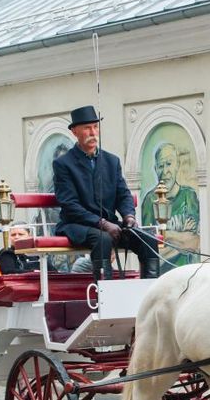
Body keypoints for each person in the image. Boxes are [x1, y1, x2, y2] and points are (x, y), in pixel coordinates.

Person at [53, 105, 161, 280]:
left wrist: (129, 217)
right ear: (74, 131)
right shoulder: (63, 164)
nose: (93, 132)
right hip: (77, 225)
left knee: (147, 239)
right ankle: (104, 294)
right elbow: (69, 205)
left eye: (95, 127)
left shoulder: (111, 161)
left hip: (109, 226)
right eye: (87, 128)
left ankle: (149, 291)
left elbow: (123, 194)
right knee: (102, 239)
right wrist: (102, 223)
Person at [140, 142, 200, 270]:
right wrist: (182, 241)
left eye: (169, 164)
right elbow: (151, 252)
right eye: (161, 165)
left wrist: (165, 235)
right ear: (156, 169)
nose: (165, 171)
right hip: (161, 278)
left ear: (177, 165)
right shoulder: (150, 201)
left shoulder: (189, 196)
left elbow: (194, 243)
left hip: (188, 274)